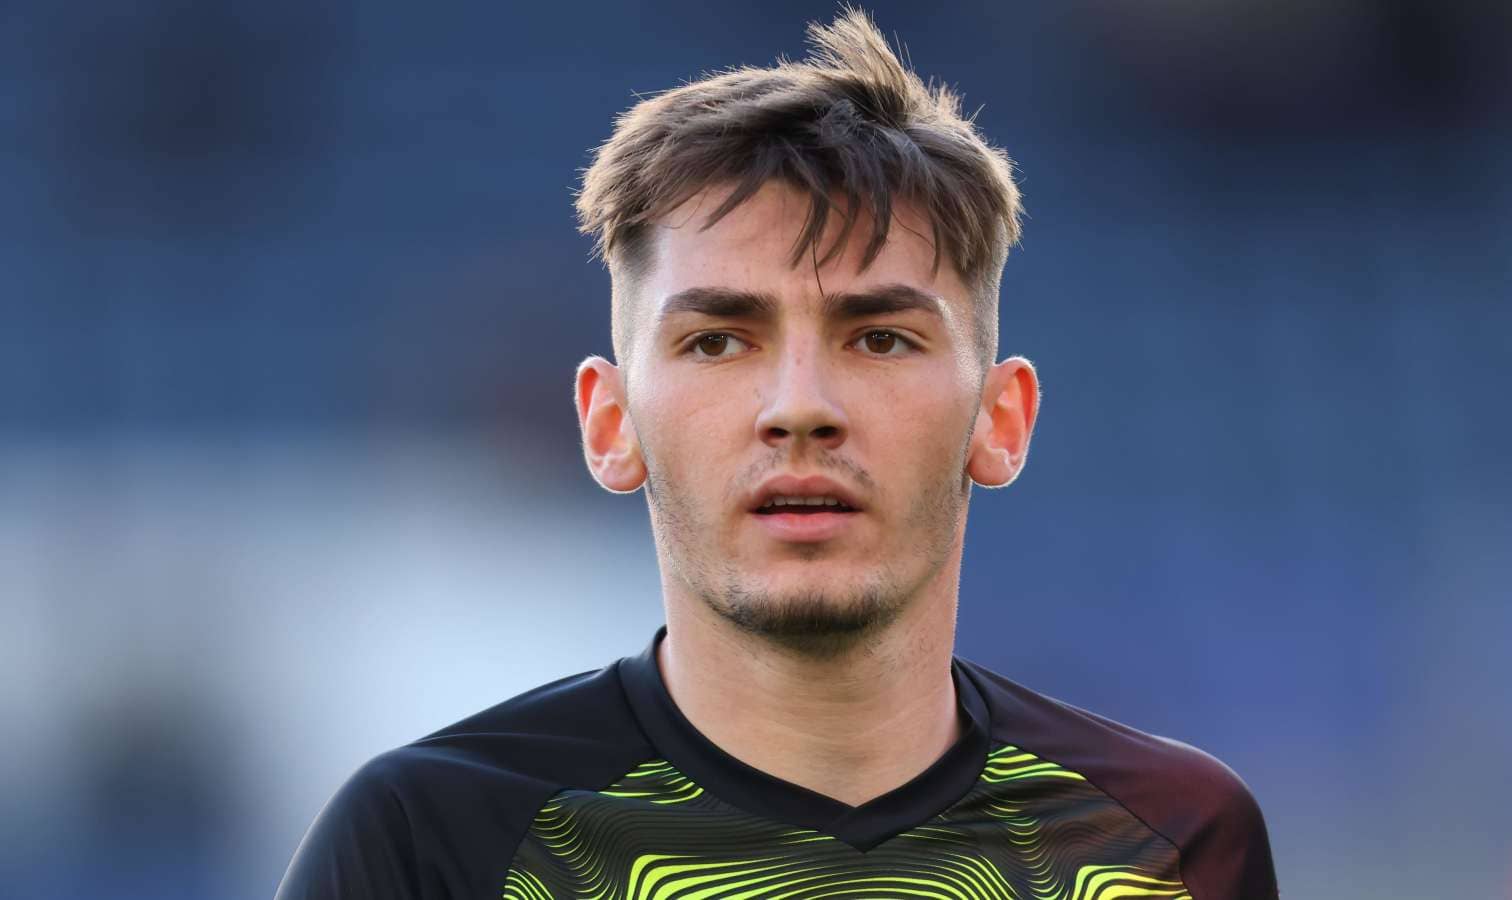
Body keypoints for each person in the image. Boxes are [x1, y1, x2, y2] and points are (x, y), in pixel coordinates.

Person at [275, 9, 1278, 899]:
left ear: (999, 418)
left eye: (880, 338)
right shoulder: (435, 843)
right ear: (609, 421)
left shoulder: (1168, 843)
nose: (800, 407)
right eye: (717, 341)